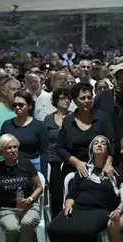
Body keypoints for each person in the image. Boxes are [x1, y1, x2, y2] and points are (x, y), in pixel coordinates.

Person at [48, 135, 121, 242]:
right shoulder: (84, 170)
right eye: (95, 143)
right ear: (91, 149)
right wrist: (68, 205)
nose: (99, 145)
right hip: (78, 207)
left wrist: (118, 209)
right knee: (54, 227)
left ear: (108, 150)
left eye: (103, 143)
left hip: (100, 210)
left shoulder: (115, 172)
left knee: (85, 230)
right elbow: (71, 194)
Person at [57, 82, 117, 179]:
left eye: (89, 97)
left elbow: (113, 142)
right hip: (76, 169)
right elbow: (59, 148)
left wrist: (108, 163)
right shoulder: (68, 121)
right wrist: (77, 163)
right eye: (82, 98)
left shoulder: (103, 117)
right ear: (75, 101)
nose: (87, 101)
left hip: (102, 168)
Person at [0, 90, 48, 175]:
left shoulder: (39, 125)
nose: (17, 107)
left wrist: (44, 176)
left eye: (21, 105)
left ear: (29, 106)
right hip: (11, 166)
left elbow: (44, 153)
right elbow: (2, 148)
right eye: (15, 105)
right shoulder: (6, 125)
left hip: (33, 166)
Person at [43, 88, 72, 218]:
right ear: (56, 100)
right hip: (53, 161)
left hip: (70, 160)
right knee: (56, 194)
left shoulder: (74, 117)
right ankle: (56, 221)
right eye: (63, 98)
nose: (67, 100)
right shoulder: (48, 119)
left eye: (69, 98)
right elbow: (45, 141)